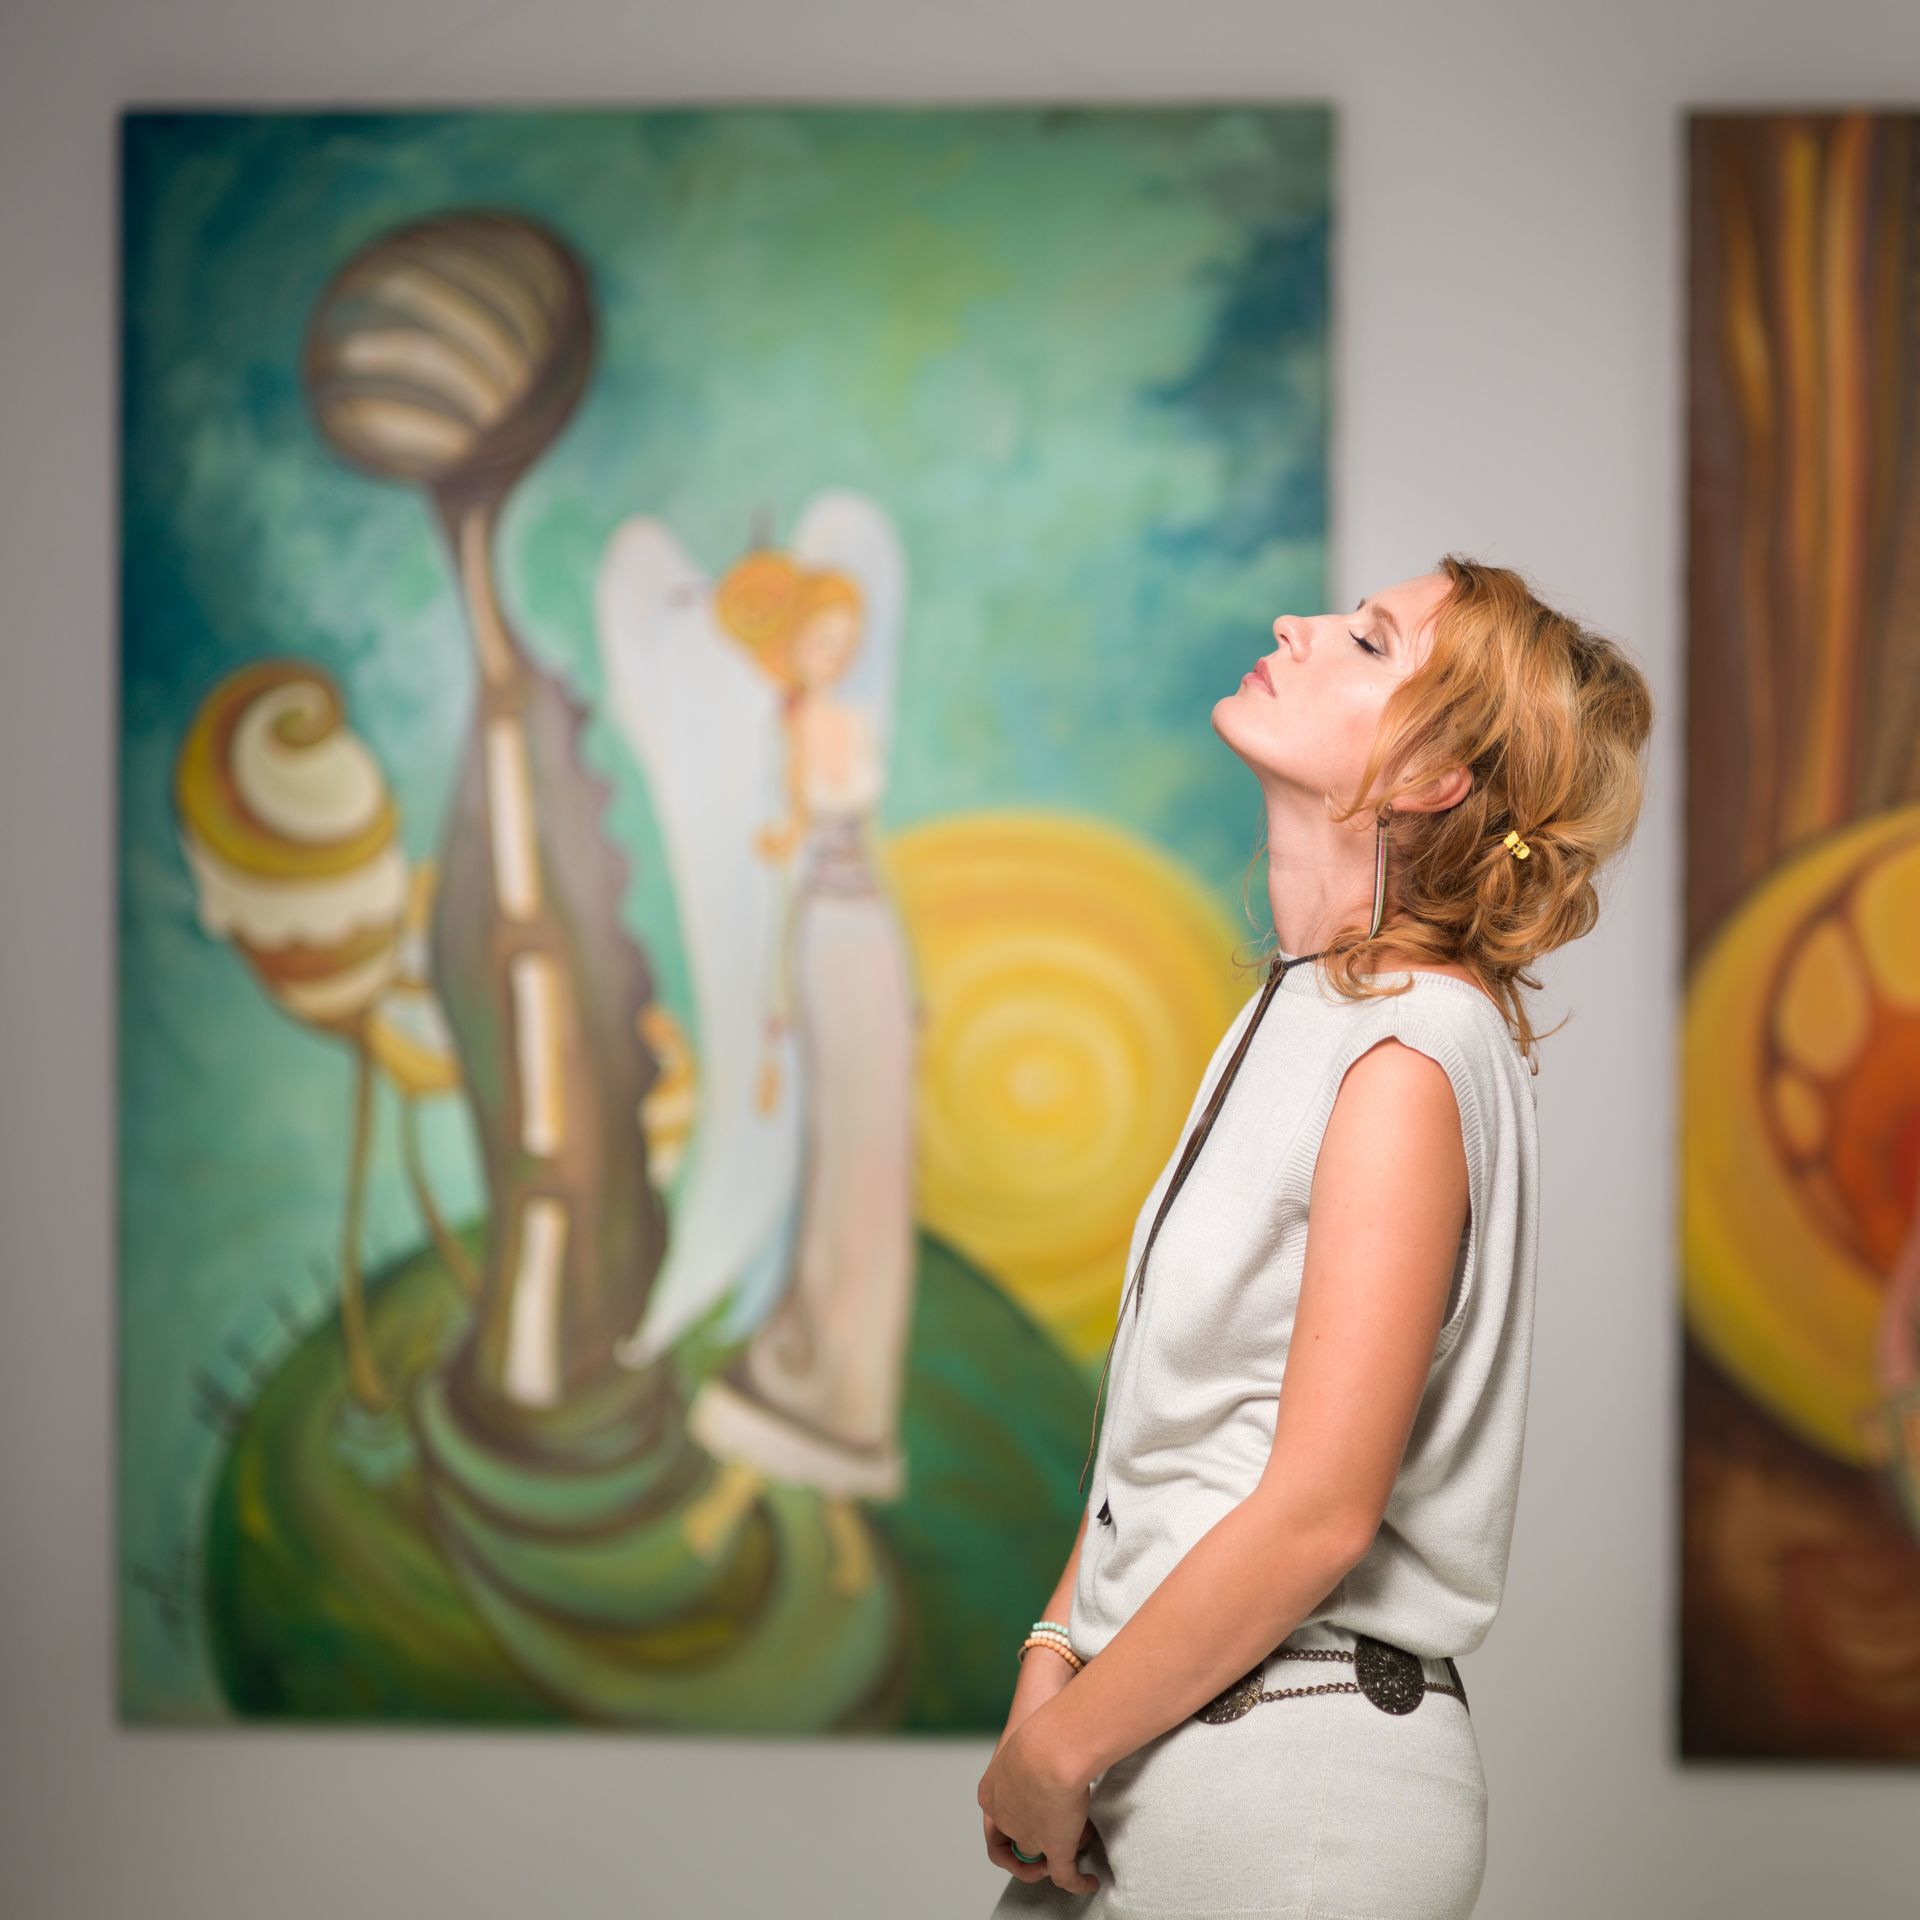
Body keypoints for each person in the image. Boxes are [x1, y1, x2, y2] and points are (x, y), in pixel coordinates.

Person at [977, 557, 1654, 1917]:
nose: (1298, 626)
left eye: (1369, 641)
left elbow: (1323, 1511)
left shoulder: (1407, 1049)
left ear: (1432, 778)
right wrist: (1054, 1654)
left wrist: (1060, 1745)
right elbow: (1182, 1428)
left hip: (1291, 1794)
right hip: (1151, 1744)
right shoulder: (1304, 1016)